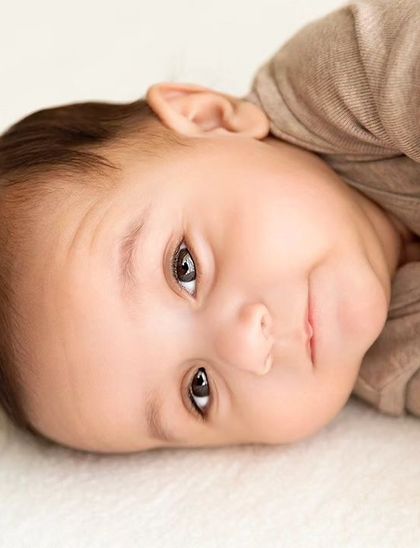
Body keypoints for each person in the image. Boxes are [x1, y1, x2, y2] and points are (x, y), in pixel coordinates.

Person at [0, 0, 419, 454]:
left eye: (185, 269)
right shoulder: (396, 369)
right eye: (198, 390)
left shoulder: (345, 78)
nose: (245, 347)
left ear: (210, 119)